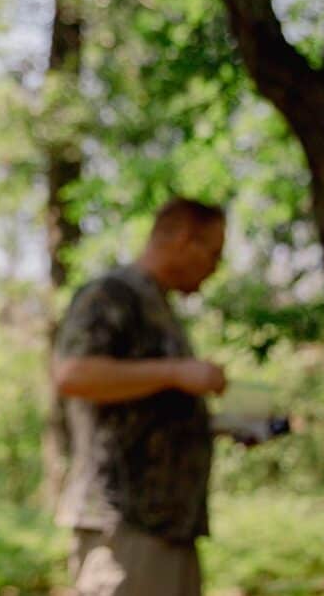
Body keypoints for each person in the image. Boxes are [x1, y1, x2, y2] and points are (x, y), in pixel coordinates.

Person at [52, 197, 227, 596]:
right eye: (213, 254)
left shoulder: (159, 307)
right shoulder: (112, 294)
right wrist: (177, 373)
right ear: (183, 239)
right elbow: (71, 374)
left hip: (172, 528)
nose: (215, 268)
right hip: (124, 526)